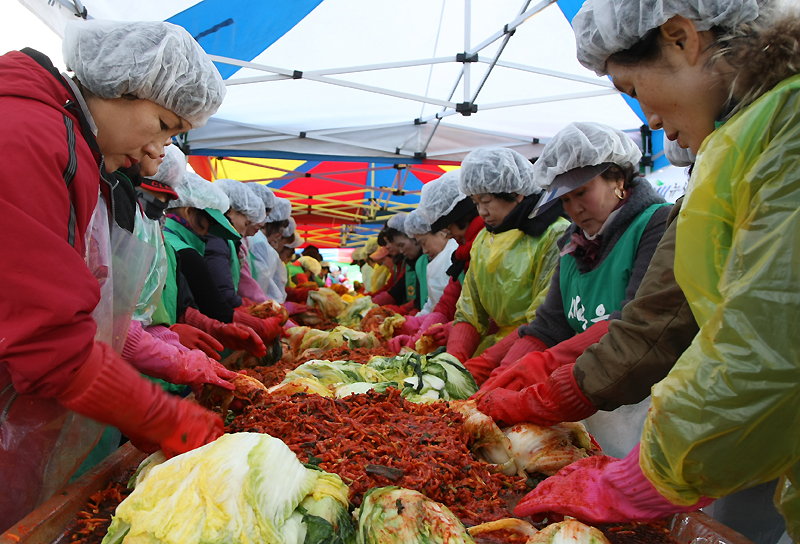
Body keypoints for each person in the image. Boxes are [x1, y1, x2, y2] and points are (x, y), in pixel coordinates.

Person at [513, 2, 800, 542]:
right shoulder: (747, 141)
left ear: (680, 38)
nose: (648, 118)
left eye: (632, 86)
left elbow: (765, 347)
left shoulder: (787, 133)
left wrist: (642, 479)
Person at [0, 19, 228, 531]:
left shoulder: (68, 143)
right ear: (129, 87)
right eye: (165, 124)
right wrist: (160, 415)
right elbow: (49, 341)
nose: (160, 149)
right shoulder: (32, 135)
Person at [466, 122, 670, 388]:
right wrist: (504, 373)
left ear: (617, 178)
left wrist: (543, 364)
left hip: (646, 394)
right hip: (588, 386)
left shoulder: (657, 225)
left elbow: (632, 322)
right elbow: (548, 325)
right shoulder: (573, 244)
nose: (575, 209)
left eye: (581, 193)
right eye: (565, 200)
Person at [445, 148, 569, 366]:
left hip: (541, 357)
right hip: (500, 351)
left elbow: (543, 319)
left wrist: (487, 363)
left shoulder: (554, 234)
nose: (482, 212)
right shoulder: (483, 240)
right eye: (476, 203)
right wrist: (454, 361)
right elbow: (470, 312)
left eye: (487, 201)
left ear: (516, 193)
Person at [164, 173, 282, 346]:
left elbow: (183, 308)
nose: (210, 231)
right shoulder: (185, 251)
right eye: (209, 222)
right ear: (189, 211)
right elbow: (214, 305)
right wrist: (253, 323)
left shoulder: (164, 238)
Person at [401, 209, 458, 314]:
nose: (424, 251)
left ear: (442, 232)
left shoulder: (454, 255)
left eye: (424, 243)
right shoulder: (434, 262)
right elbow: (430, 304)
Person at [372, 213, 428, 313]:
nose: (401, 251)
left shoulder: (425, 260)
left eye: (401, 245)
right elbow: (396, 290)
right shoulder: (411, 262)